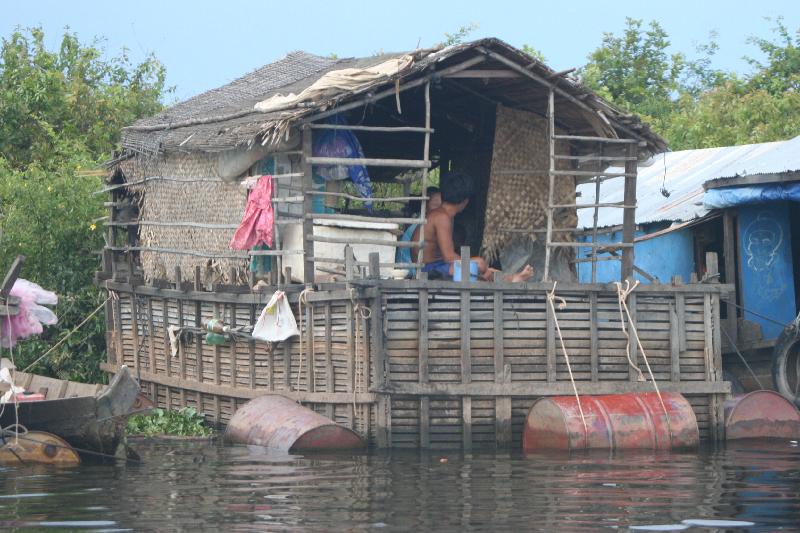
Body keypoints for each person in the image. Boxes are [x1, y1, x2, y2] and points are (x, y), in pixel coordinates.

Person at [417, 172, 533, 282]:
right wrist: (480, 266)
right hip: (429, 270)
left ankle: (511, 278)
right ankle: (510, 279)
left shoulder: (442, 215)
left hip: (438, 267)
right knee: (479, 264)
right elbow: (449, 257)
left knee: (478, 269)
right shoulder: (442, 217)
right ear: (465, 201)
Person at [396, 187, 442, 272]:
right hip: (409, 271)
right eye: (436, 205)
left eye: (441, 205)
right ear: (425, 206)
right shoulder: (420, 225)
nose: (440, 209)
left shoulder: (424, 222)